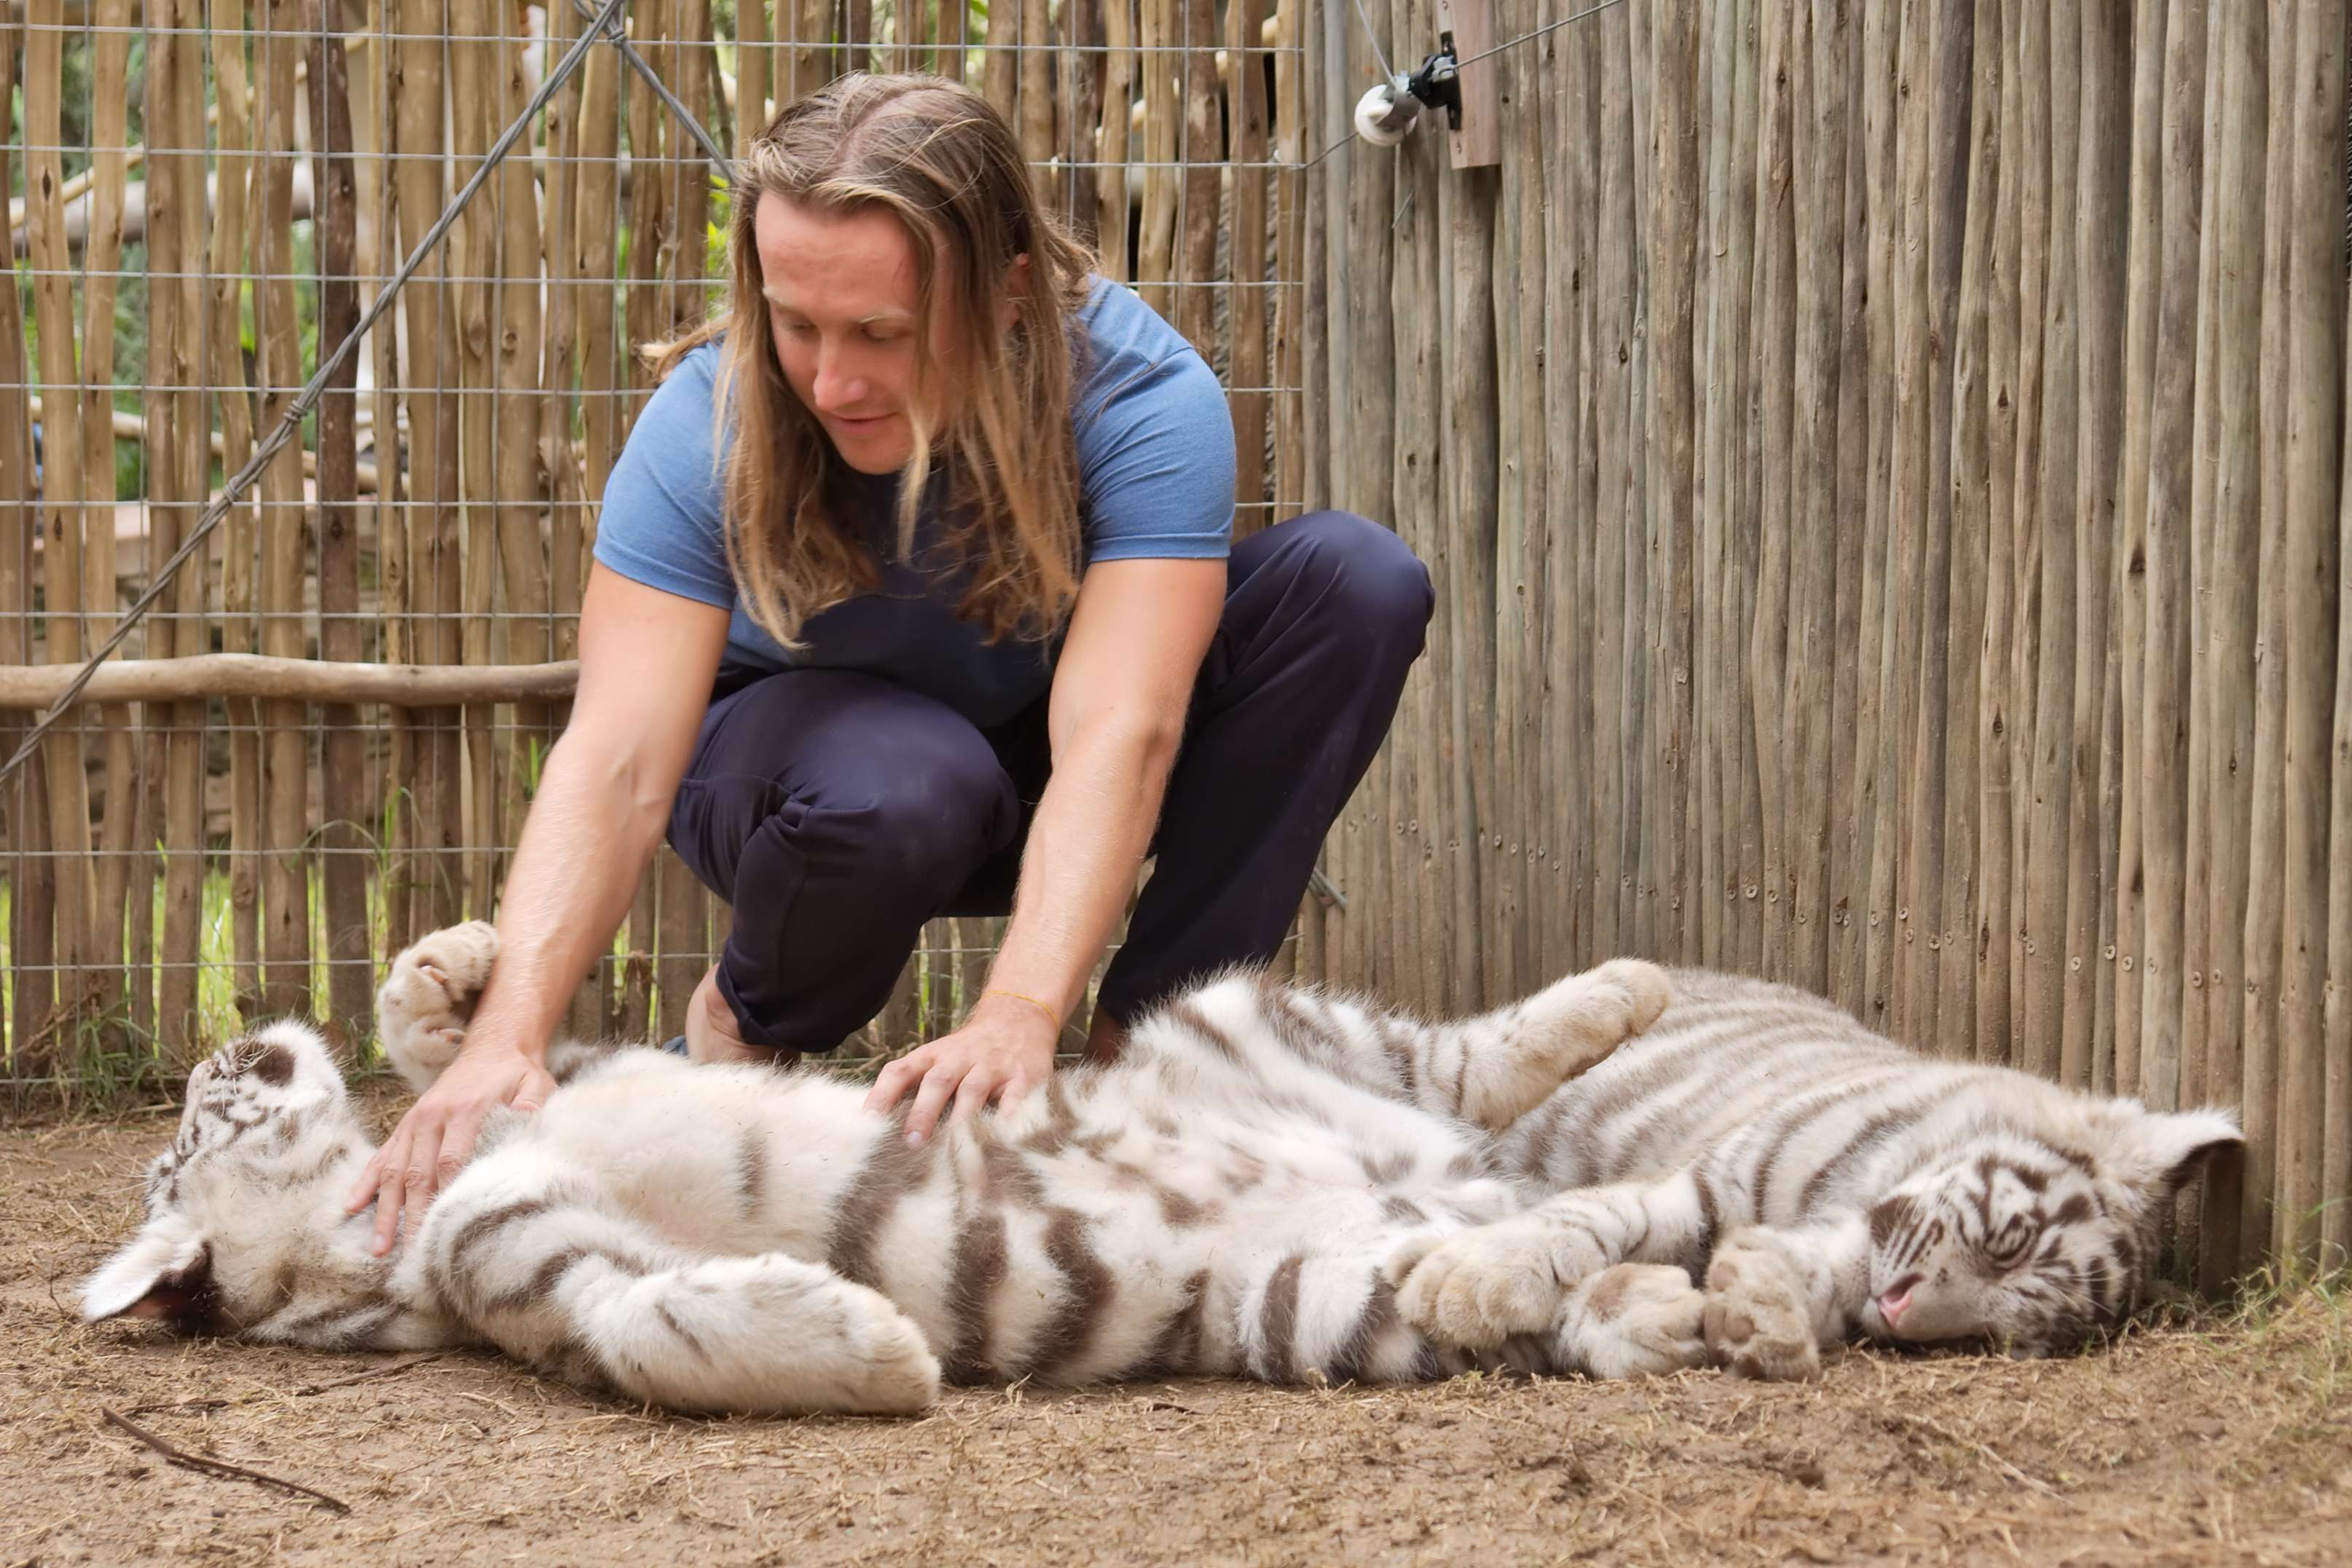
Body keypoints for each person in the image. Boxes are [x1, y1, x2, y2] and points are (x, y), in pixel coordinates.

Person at [348, 73, 1433, 1255]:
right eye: (795, 323)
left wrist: (1022, 1010)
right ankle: (732, 1035)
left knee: (1354, 582)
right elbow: (615, 756)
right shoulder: (707, 414)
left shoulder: (1141, 394)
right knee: (908, 773)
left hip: (1049, 768)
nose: (830, 381)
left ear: (1010, 287)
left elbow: (1126, 728)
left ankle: (1144, 1079)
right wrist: (508, 1038)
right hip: (802, 779)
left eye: (881, 333)